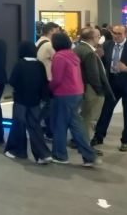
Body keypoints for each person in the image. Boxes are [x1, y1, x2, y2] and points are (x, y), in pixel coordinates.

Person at [49, 33, 98, 166]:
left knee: (60, 125)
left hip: (64, 94)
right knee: (76, 125)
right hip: (77, 93)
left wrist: (49, 88)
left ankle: (60, 155)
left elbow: (57, 79)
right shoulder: (73, 55)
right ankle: (89, 156)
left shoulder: (59, 57)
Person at [4, 42, 52, 164]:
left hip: (20, 100)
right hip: (35, 100)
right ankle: (43, 154)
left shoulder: (20, 64)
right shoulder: (40, 65)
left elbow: (12, 81)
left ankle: (18, 151)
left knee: (18, 125)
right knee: (35, 126)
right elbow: (44, 83)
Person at [92, 25, 127, 152]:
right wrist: (98, 56)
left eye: (119, 34)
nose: (116, 36)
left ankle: (126, 141)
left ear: (126, 34)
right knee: (106, 111)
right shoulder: (107, 45)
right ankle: (98, 136)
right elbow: (102, 62)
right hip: (112, 83)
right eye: (114, 33)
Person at [74, 27, 113, 155]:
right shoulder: (89, 52)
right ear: (92, 38)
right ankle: (86, 147)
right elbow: (93, 75)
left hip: (82, 88)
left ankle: (80, 143)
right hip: (92, 90)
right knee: (89, 118)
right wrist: (100, 91)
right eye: (98, 36)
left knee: (84, 117)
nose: (99, 38)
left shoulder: (78, 48)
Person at [35, 22, 59, 140]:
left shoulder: (38, 42)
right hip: (48, 79)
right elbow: (58, 59)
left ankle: (45, 129)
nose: (58, 33)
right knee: (50, 106)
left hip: (40, 78)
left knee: (46, 105)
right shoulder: (49, 45)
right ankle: (48, 131)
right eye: (57, 31)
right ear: (51, 31)